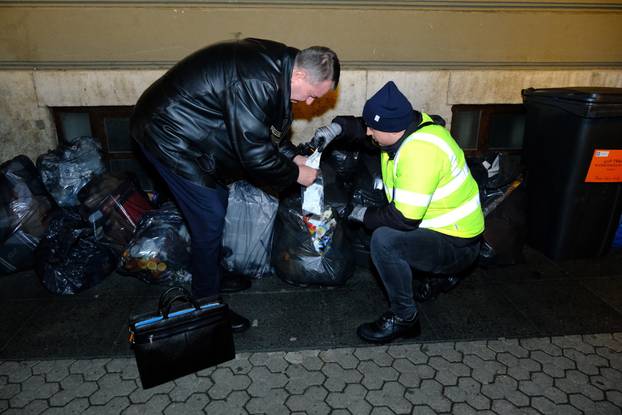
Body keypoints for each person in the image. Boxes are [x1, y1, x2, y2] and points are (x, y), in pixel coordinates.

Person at [130, 38, 340, 333]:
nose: (308, 103)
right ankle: (206, 308)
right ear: (301, 75)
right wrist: (296, 175)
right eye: (310, 95)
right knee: (209, 215)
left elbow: (268, 133)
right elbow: (254, 153)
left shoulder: (283, 68)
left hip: (195, 129)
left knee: (215, 204)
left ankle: (211, 274)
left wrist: (293, 157)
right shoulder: (256, 80)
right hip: (167, 132)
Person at [312, 81, 484, 343]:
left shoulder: (420, 153)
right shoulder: (410, 126)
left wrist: (357, 213)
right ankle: (433, 277)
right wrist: (336, 128)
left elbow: (403, 219)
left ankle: (405, 318)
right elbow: (361, 127)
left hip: (457, 244)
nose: (367, 132)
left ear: (392, 128)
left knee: (385, 240)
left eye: (373, 128)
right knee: (381, 227)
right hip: (440, 228)